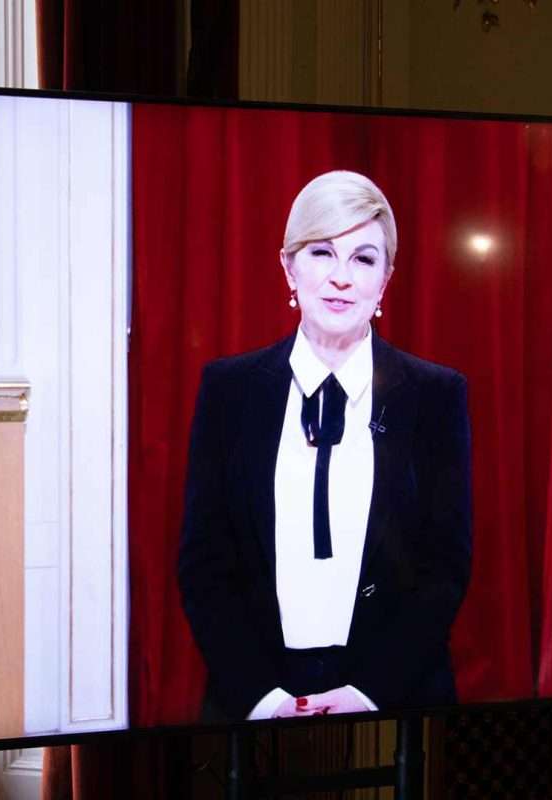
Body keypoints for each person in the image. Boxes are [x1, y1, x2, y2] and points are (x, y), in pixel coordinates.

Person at [176, 170, 473, 722]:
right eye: (321, 253)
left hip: (396, 700)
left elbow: (444, 570)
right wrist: (264, 701)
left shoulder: (436, 396)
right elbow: (204, 567)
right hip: (253, 703)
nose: (341, 277)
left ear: (385, 278)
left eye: (363, 258)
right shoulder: (228, 391)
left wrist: (369, 694)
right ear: (288, 267)